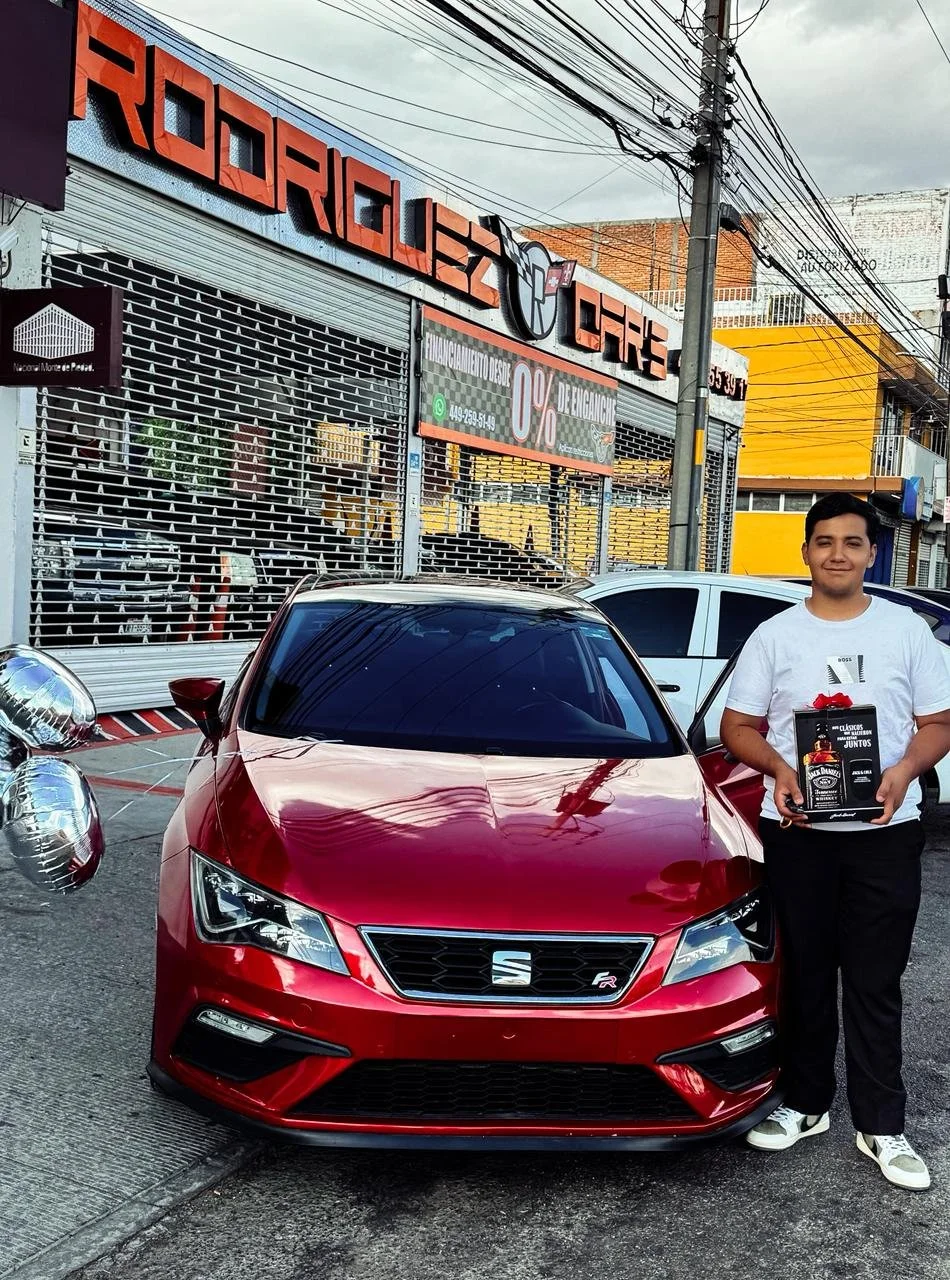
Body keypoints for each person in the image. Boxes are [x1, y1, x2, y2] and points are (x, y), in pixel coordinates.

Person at [721, 492, 950, 1191]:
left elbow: (938, 723)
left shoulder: (907, 632)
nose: (839, 554)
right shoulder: (776, 636)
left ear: (871, 552)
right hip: (798, 835)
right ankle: (805, 1103)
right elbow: (740, 727)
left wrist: (905, 769)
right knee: (806, 975)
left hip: (885, 833)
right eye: (825, 541)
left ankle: (882, 1125)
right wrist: (780, 769)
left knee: (875, 980)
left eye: (853, 542)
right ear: (807, 552)